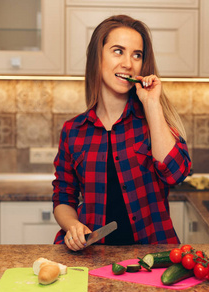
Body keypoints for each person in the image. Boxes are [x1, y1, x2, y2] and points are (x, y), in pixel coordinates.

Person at [52, 15, 191, 251]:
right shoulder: (73, 131)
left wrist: (152, 104)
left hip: (153, 257)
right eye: (118, 51)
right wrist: (72, 225)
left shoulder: (152, 119)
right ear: (97, 58)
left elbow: (176, 173)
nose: (128, 63)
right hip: (92, 256)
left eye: (137, 55)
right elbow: (63, 198)